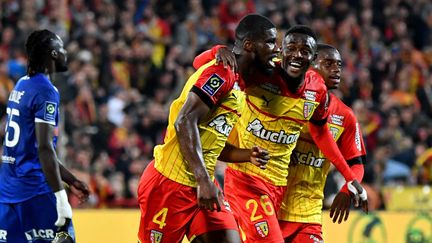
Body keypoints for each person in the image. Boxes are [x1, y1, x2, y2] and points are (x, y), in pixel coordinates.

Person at [193, 25, 367, 242]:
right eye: (291, 48)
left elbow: (320, 130)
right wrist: (217, 51)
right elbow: (202, 66)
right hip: (247, 180)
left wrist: (350, 179)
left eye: (304, 51)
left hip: (279, 188)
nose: (297, 55)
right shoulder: (259, 73)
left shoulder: (318, 91)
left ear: (311, 58)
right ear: (281, 50)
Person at [136, 14, 277, 243]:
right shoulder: (222, 72)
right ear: (250, 45)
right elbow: (184, 122)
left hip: (203, 185)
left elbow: (211, 142)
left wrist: (245, 155)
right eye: (270, 42)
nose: (276, 49)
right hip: (170, 185)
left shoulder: (236, 81)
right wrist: (203, 181)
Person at [0, 29, 89, 243]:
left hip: (8, 191)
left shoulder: (21, 85)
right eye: (62, 48)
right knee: (65, 239)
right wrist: (61, 197)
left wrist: (72, 180)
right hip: (35, 193)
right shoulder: (46, 91)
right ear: (53, 54)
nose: (65, 52)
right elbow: (44, 149)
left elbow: (34, 150)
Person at [278, 44, 367, 242]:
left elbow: (357, 164)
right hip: (272, 206)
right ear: (309, 66)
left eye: (339, 65)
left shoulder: (345, 116)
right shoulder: (287, 100)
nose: (336, 69)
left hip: (308, 212)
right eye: (328, 63)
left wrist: (347, 188)